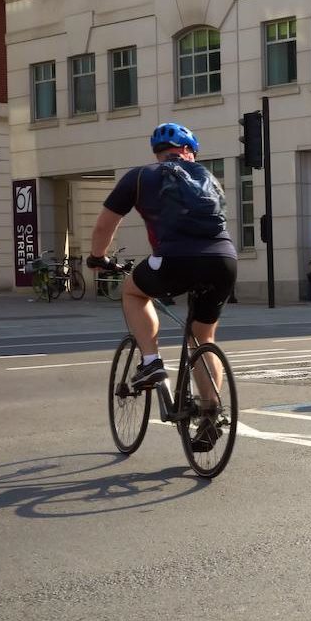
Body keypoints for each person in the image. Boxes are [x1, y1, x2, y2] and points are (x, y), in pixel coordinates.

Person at [86, 122, 238, 452]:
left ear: (158, 154)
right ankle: (211, 413)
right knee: (203, 336)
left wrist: (97, 257)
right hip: (223, 260)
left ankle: (152, 361)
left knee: (133, 291)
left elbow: (104, 226)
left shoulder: (141, 177)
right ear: (191, 152)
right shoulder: (208, 178)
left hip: (174, 259)